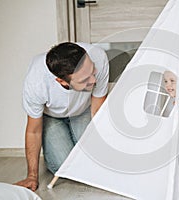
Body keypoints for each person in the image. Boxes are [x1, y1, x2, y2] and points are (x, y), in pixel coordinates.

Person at [15, 42, 109, 191]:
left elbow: (98, 110)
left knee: (94, 159)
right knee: (65, 167)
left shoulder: (98, 56)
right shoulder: (36, 82)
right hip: (52, 116)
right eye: (84, 80)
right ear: (62, 81)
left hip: (84, 110)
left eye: (93, 71)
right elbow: (33, 131)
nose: (94, 80)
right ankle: (53, 146)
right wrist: (32, 176)